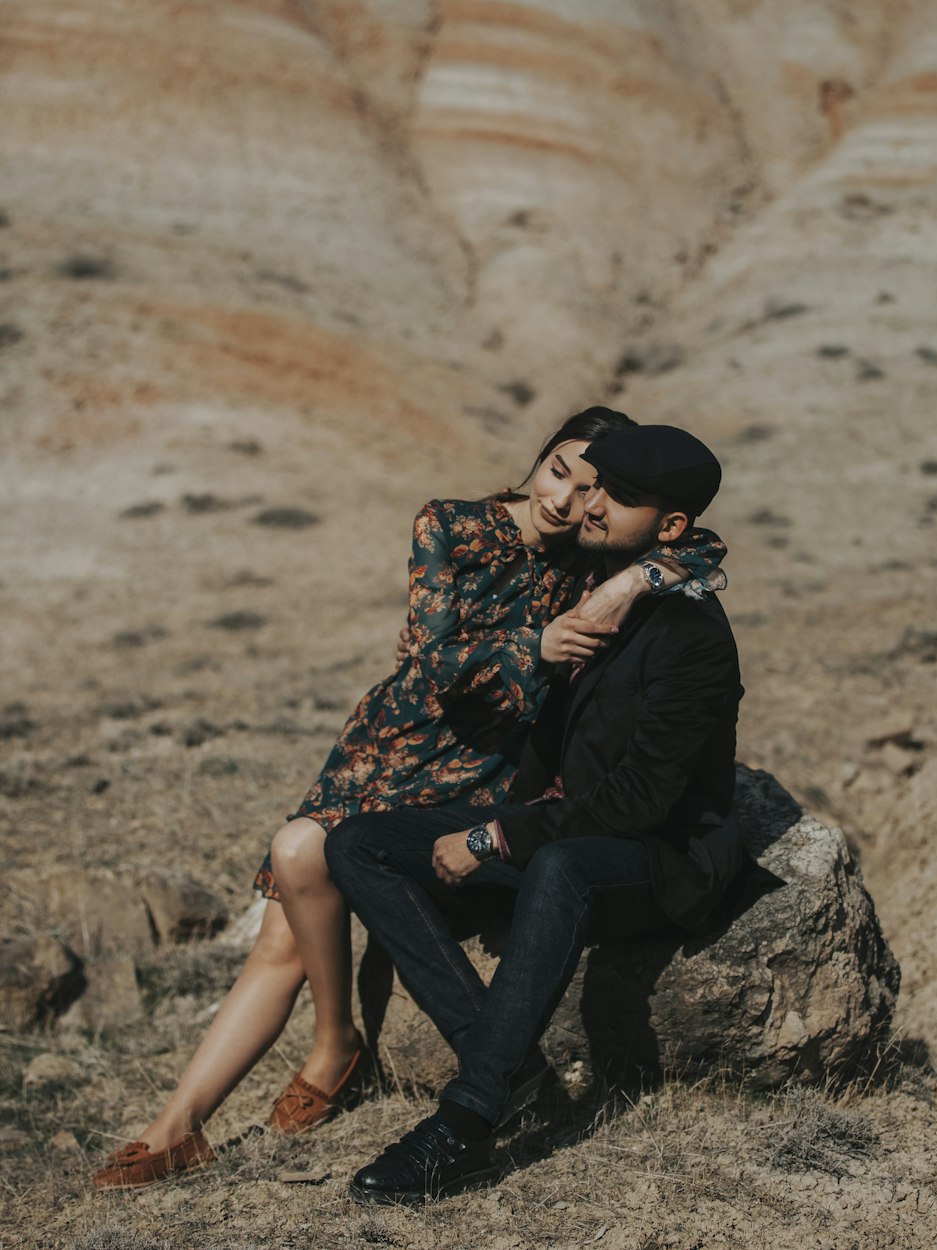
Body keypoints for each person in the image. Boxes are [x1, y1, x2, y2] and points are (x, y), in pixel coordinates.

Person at [92, 409, 727, 1189]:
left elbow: (697, 546)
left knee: (306, 865)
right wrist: (536, 645)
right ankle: (237, 1095)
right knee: (296, 887)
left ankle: (278, 1081)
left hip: (487, 771)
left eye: (596, 487)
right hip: (398, 749)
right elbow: (428, 665)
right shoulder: (454, 526)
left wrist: (633, 577)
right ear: (540, 457)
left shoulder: (595, 555)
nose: (572, 500)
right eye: (561, 471)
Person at [327, 422, 749, 1206]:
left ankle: (464, 1123)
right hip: (570, 824)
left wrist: (496, 835)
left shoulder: (691, 635)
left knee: (559, 863)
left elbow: (638, 804)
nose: (591, 506)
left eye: (618, 497)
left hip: (658, 857)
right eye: (592, 486)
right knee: (360, 843)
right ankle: (514, 1070)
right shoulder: (595, 574)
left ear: (670, 526)